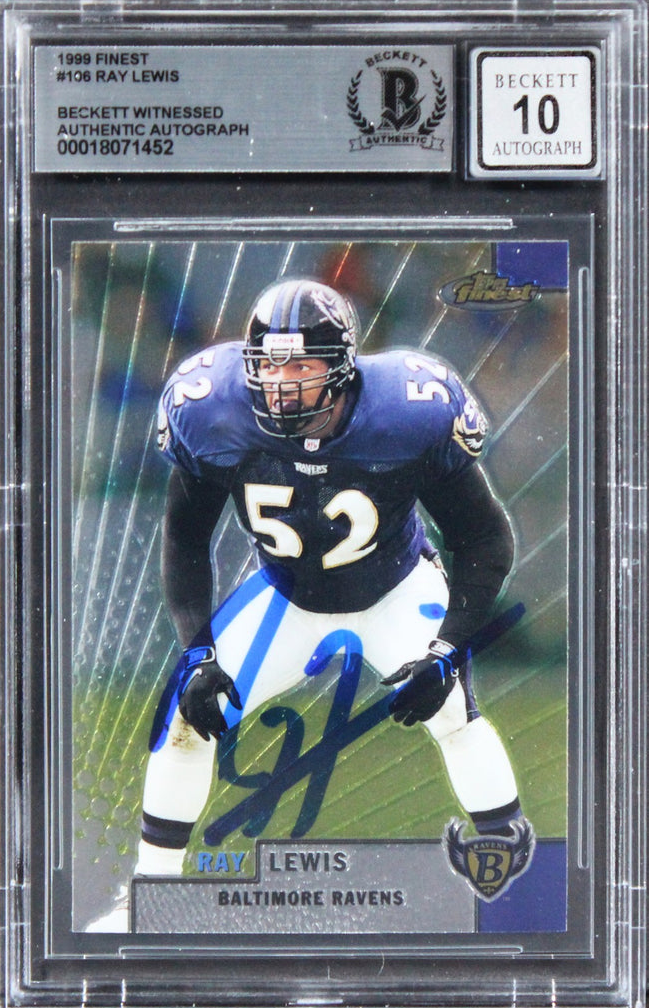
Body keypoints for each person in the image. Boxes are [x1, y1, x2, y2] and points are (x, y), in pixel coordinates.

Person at [87, 278, 532, 932]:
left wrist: (445, 649)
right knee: (185, 717)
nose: (281, 383)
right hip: (287, 597)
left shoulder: (407, 409)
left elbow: (486, 539)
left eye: (300, 366)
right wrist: (199, 654)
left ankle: (518, 886)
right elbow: (184, 540)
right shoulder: (212, 410)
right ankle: (148, 901)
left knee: (455, 717)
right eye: (269, 366)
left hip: (396, 586)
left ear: (342, 367)